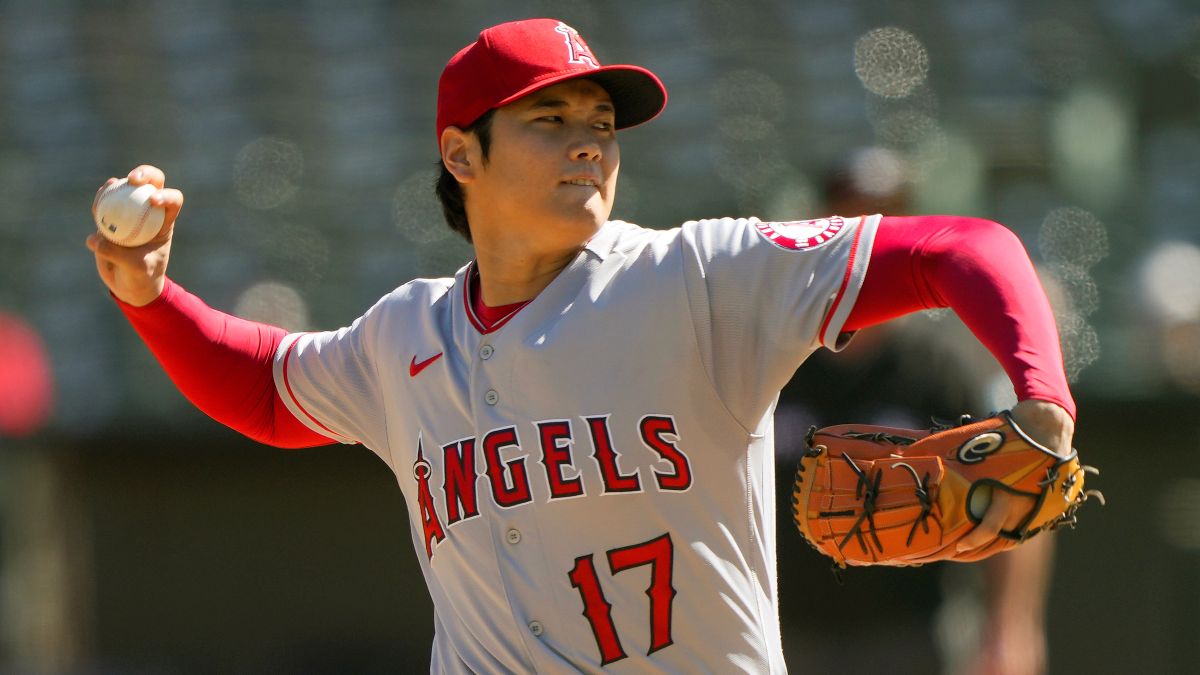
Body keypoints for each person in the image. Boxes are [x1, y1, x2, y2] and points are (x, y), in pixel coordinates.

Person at [86, 18, 1077, 674]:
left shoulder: (699, 278)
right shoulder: (405, 335)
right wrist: (149, 295)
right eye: (548, 119)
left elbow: (963, 246)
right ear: (460, 153)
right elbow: (263, 389)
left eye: (602, 123)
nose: (590, 142)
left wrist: (1045, 402)